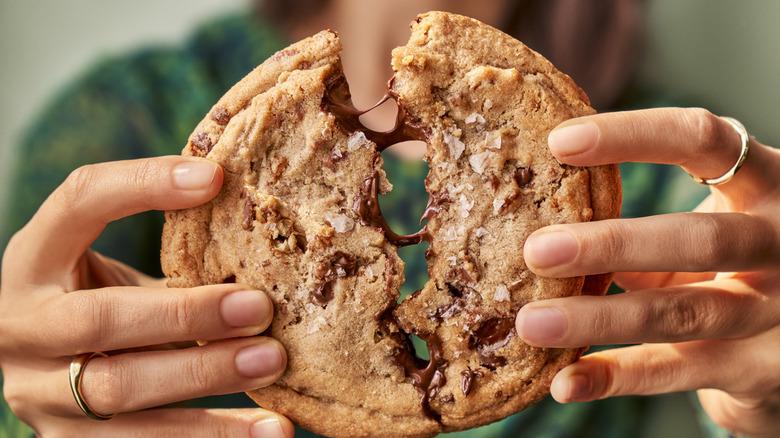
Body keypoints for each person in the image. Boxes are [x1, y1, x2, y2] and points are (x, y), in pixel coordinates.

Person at [1, 0, 779, 437]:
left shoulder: (649, 164)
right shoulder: (135, 114)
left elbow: (725, 325)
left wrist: (764, 401)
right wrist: (28, 401)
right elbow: (37, 325)